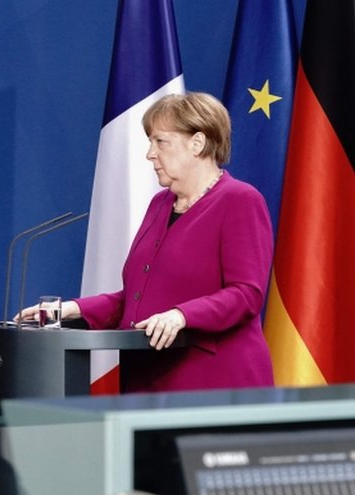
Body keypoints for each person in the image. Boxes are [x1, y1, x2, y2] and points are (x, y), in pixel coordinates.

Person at [16, 92, 274, 393]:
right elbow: (136, 299)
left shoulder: (240, 200)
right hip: (147, 379)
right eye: (150, 142)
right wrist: (71, 309)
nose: (150, 153)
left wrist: (182, 315)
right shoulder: (160, 204)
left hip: (213, 384)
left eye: (160, 141)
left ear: (197, 143)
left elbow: (246, 294)